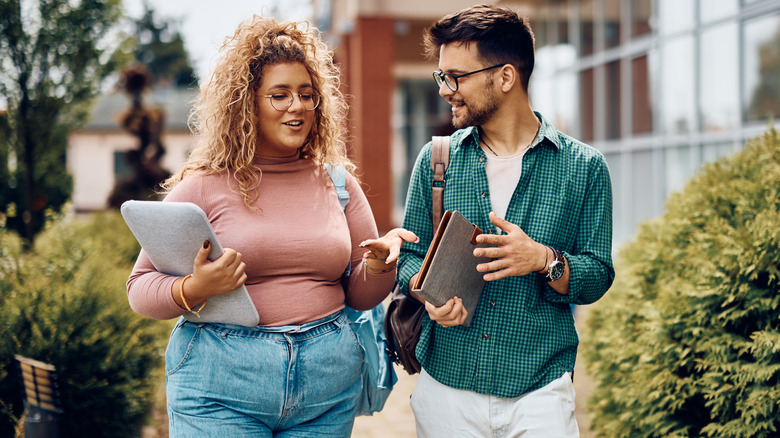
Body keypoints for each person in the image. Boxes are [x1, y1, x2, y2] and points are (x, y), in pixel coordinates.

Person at [126, 16, 416, 437]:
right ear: (246, 104)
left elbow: (360, 297)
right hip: (221, 388)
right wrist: (196, 287)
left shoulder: (338, 183)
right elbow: (139, 288)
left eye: (306, 94)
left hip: (325, 388)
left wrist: (379, 265)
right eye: (279, 95)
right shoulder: (203, 186)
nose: (297, 106)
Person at [397, 5, 615, 437]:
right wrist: (428, 296)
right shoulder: (436, 161)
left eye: (456, 76)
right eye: (442, 76)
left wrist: (544, 260)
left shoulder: (585, 167)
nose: (444, 90)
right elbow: (409, 258)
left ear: (505, 77)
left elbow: (598, 275)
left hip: (540, 392)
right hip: (447, 389)